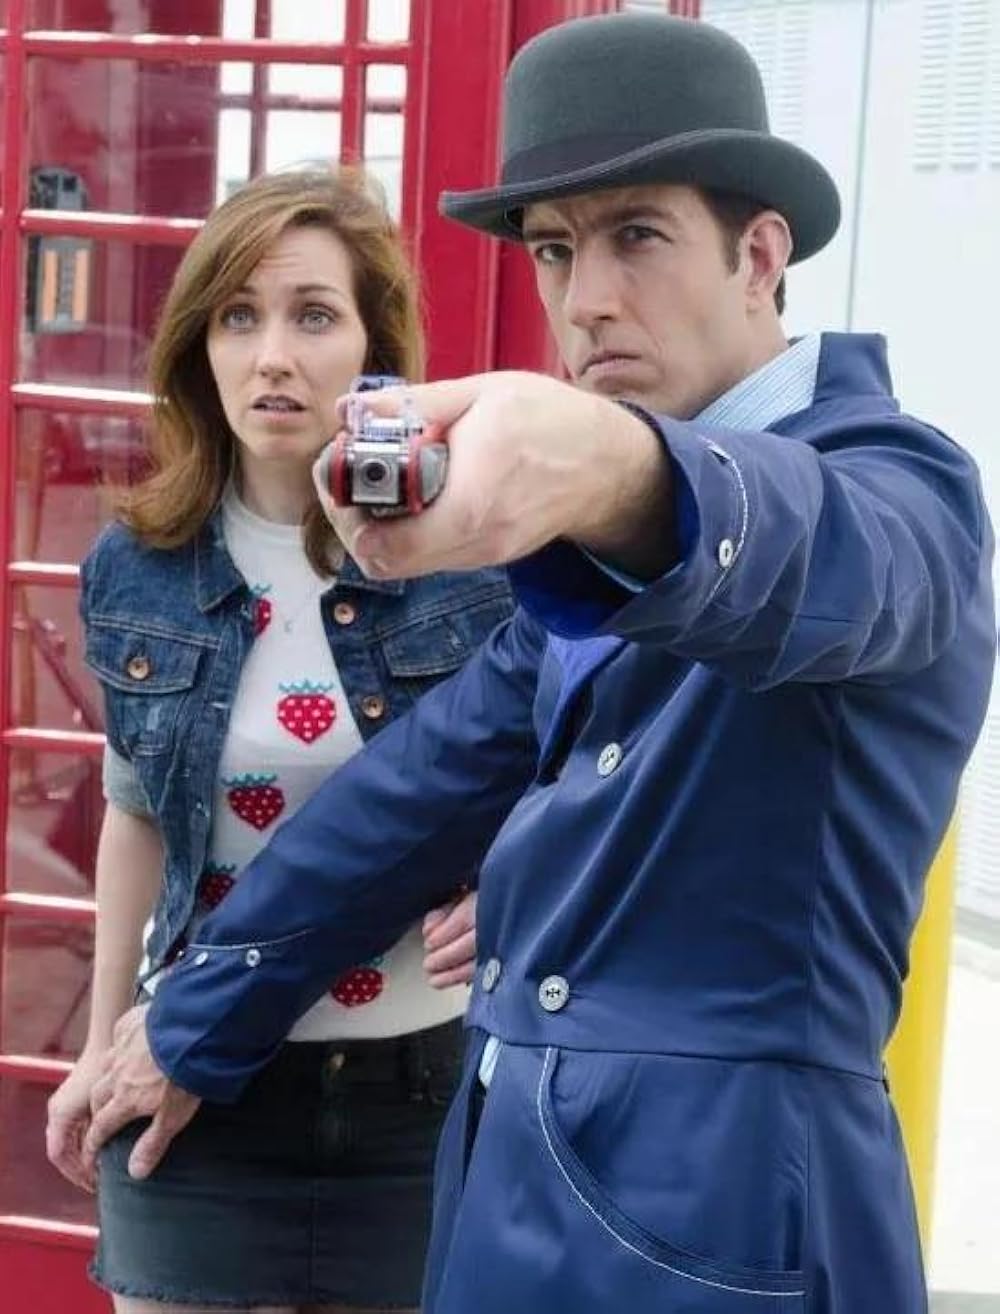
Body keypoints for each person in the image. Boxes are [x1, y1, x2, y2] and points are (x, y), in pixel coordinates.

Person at [84, 14, 996, 1314]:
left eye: (638, 236)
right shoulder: (587, 564)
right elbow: (405, 801)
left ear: (759, 254)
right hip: (502, 1198)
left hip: (730, 1227)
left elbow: (826, 558)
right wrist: (187, 1018)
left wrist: (607, 467)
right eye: (557, 250)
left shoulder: (901, 487)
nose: (585, 300)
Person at [45, 166, 514, 1313]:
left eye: (312, 315)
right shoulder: (138, 567)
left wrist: (519, 876)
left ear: (372, 347)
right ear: (197, 348)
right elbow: (135, 816)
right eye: (238, 317)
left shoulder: (468, 556)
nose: (272, 357)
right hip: (193, 1081)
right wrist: (102, 1045)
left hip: (418, 1098)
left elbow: (553, 781)